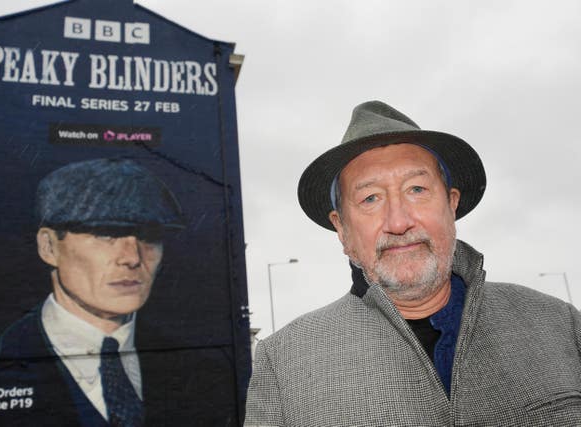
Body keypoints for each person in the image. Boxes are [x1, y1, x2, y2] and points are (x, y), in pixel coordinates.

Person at [244, 101, 581, 426]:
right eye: (370, 198)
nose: (399, 220)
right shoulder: (284, 364)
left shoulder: (560, 325)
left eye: (417, 189)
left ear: (451, 205)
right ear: (343, 231)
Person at [0, 158, 184, 427]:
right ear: (48, 247)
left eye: (149, 237)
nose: (132, 257)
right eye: (106, 234)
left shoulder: (200, 366)